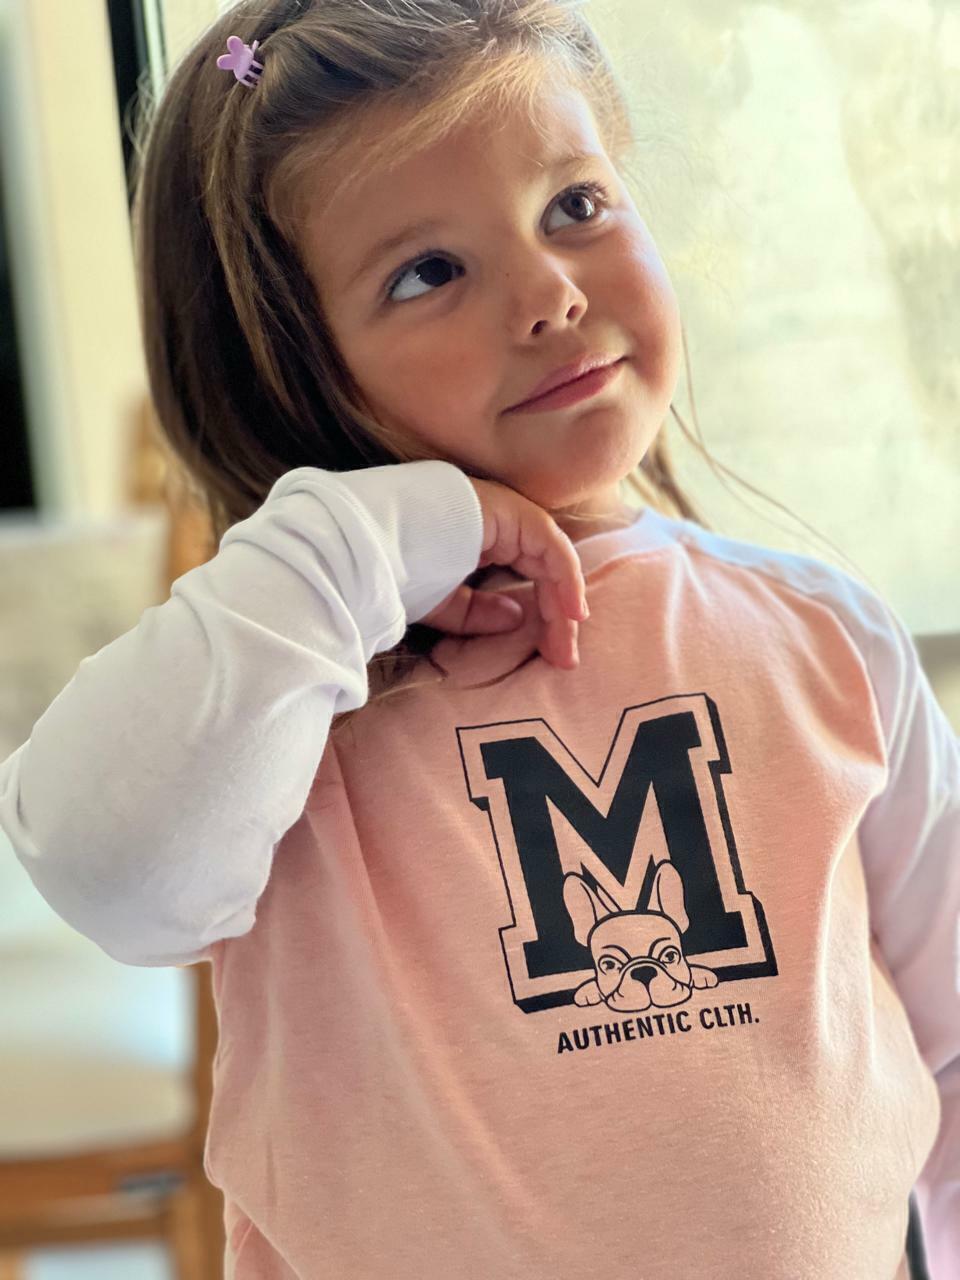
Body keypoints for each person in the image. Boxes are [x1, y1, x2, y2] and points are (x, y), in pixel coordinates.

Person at [1, 1, 956, 1276]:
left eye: (576, 205)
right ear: (286, 371)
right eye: (428, 272)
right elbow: (98, 864)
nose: (551, 292)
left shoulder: (826, 638)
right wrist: (366, 539)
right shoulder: (286, 703)